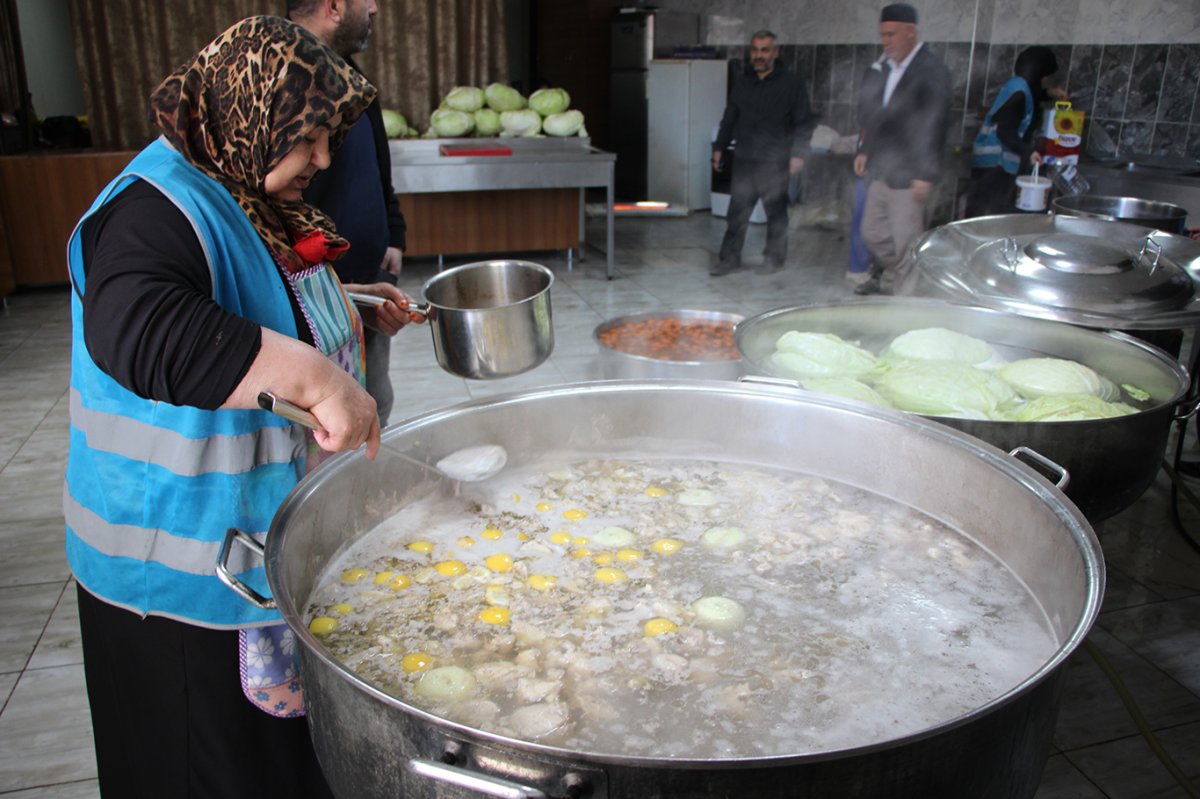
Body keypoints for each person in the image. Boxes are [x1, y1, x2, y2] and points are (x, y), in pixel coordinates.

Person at [64, 16, 419, 798]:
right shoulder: (153, 209)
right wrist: (319, 380)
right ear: (251, 114)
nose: (322, 159)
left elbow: (246, 294)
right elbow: (141, 326)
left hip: (252, 559)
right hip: (176, 593)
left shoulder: (237, 183)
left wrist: (345, 303)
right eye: (308, 139)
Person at [288, 0, 410, 427]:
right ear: (335, 6)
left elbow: (377, 167)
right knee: (331, 420)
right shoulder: (287, 84)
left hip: (365, 284)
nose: (374, 8)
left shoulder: (354, 80)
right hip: (309, 298)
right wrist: (334, 294)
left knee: (374, 402)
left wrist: (392, 231)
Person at [852, 3, 951, 296]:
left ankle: (905, 307)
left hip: (911, 175)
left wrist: (926, 175)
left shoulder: (931, 69)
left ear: (911, 32)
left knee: (907, 243)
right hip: (882, 170)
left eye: (892, 34)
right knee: (872, 233)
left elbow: (936, 124)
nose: (886, 41)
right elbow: (878, 116)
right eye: (883, 35)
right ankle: (912, 274)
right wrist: (865, 149)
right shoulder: (887, 69)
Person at [711, 29, 814, 276]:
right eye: (755, 50)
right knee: (736, 213)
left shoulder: (792, 84)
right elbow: (729, 118)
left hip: (775, 161)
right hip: (745, 159)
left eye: (765, 50)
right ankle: (729, 260)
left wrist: (798, 153)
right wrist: (719, 147)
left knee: (776, 214)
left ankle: (774, 260)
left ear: (775, 52)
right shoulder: (743, 82)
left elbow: (804, 122)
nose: (759, 55)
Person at [965, 46, 1062, 217]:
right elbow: (1005, 131)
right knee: (987, 213)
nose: (1046, 80)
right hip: (994, 163)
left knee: (983, 211)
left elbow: (1032, 95)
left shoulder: (1019, 85)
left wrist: (1048, 93)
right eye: (1046, 76)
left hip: (990, 161)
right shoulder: (1020, 95)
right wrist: (1028, 152)